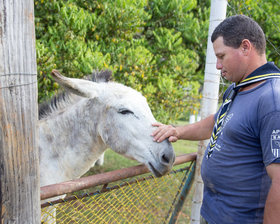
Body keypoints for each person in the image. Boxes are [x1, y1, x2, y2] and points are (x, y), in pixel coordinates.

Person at [152, 15, 280, 224]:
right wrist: (177, 131)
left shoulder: (273, 99)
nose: (218, 66)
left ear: (245, 47)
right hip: (213, 214)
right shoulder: (238, 88)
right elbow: (218, 121)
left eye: (222, 56)